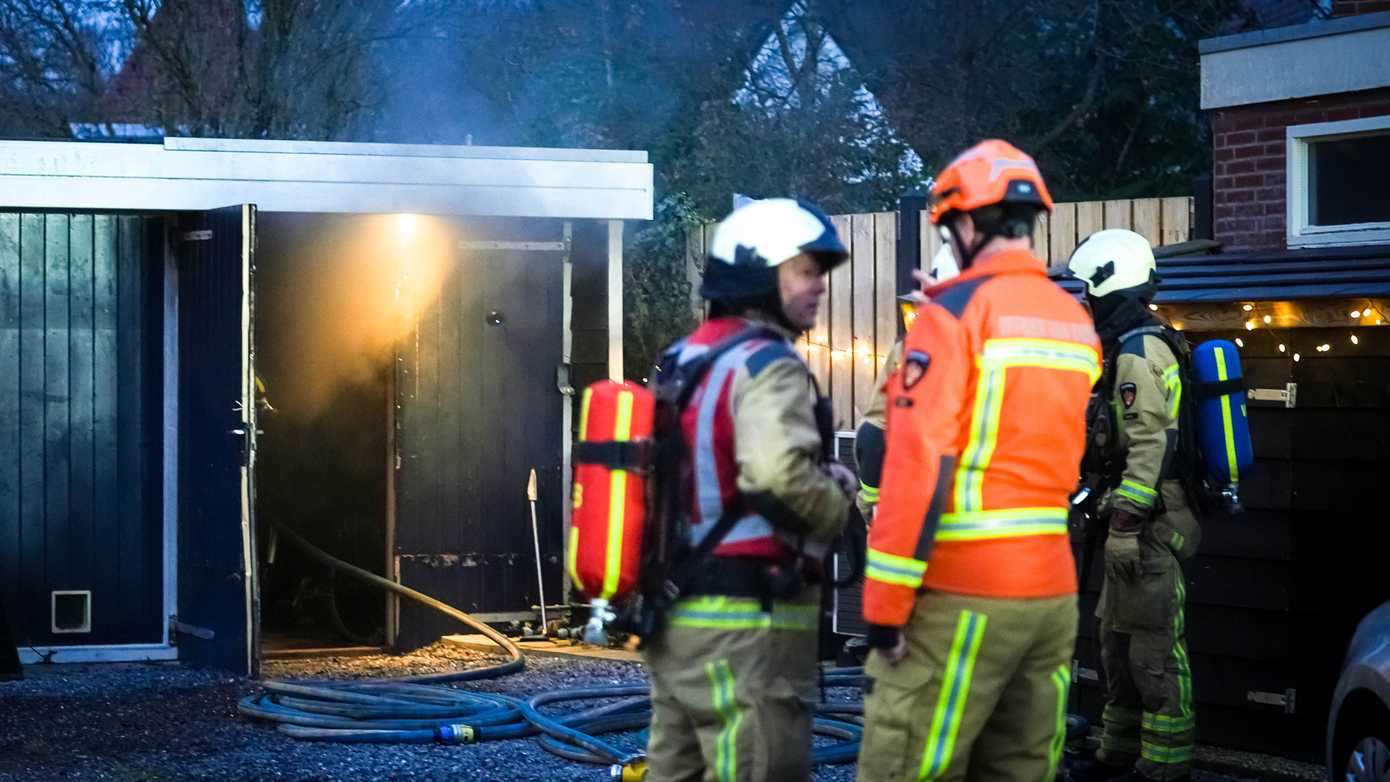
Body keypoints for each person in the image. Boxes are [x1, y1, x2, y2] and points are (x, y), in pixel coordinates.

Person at [857, 139, 1100, 782]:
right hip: (1052, 594)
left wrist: (883, 610)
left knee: (905, 765)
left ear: (966, 222)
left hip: (964, 591)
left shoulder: (950, 318)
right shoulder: (1073, 320)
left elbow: (915, 468)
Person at [643, 197, 856, 782]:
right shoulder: (769, 364)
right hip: (748, 628)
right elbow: (774, 475)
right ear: (760, 277)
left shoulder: (682, 358)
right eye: (806, 271)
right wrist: (839, 499)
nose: (819, 287)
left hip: (677, 616)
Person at [1067, 229, 1201, 782]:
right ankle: (1117, 751)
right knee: (1115, 645)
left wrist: (1124, 526)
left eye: (1089, 292)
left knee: (1151, 649)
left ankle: (1166, 767)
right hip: (1128, 521)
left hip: (1151, 525)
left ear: (1111, 287)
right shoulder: (1127, 348)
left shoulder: (1140, 351)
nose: (1084, 302)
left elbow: (1151, 444)